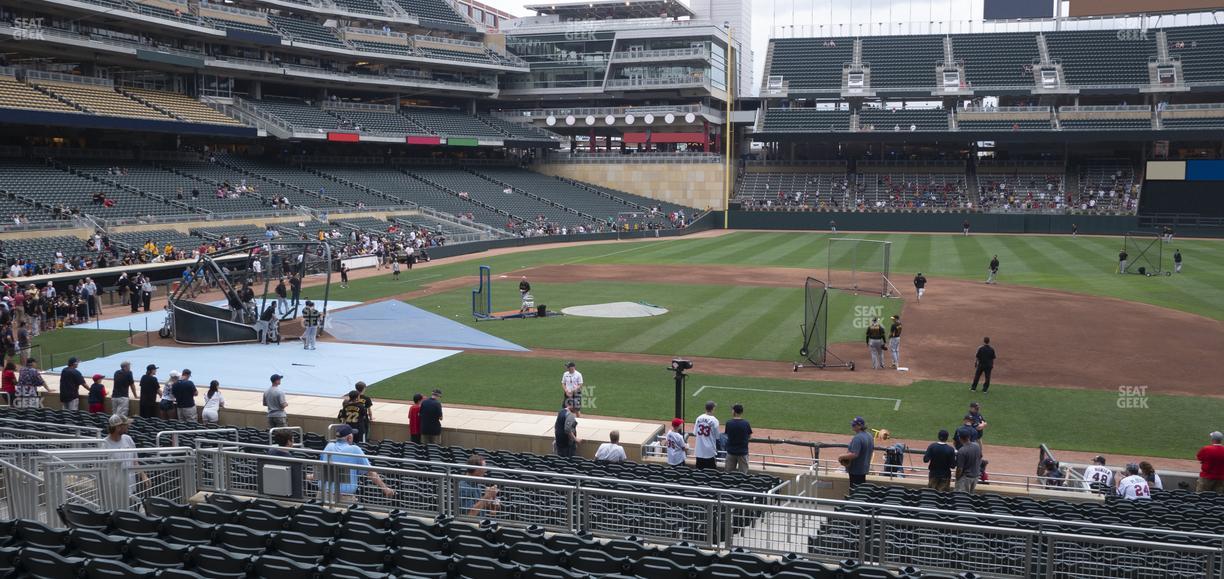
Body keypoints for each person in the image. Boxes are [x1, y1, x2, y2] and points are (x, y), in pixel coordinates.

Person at [322, 425, 395, 500]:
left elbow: (319, 471)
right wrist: (385, 489)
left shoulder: (328, 446)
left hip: (322, 495)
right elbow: (371, 473)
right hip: (343, 498)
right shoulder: (355, 450)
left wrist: (308, 476)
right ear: (349, 438)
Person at [840, 417, 874, 488]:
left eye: (854, 425)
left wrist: (841, 457)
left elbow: (854, 454)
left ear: (860, 426)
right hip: (864, 468)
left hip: (855, 471)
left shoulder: (857, 438)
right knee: (861, 491)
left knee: (855, 492)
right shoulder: (869, 436)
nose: (852, 426)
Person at [723, 404, 752, 473]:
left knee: (728, 474)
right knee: (743, 474)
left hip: (731, 452)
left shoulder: (729, 423)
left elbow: (727, 435)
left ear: (734, 412)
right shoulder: (746, 423)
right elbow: (750, 437)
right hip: (742, 452)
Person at [693, 401, 720, 469]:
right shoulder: (714, 420)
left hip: (699, 451)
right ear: (713, 409)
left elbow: (695, 433)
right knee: (711, 473)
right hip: (709, 452)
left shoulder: (699, 418)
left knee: (699, 473)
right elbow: (717, 436)